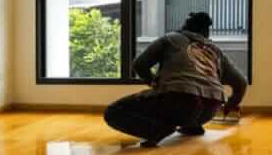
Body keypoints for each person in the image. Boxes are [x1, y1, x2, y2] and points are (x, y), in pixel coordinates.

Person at [104, 12, 247, 147]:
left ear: (184, 26)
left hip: (178, 101)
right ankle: (192, 126)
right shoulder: (215, 51)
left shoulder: (171, 39)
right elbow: (241, 83)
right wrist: (230, 104)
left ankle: (156, 130)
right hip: (210, 110)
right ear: (206, 33)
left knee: (114, 111)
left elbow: (139, 65)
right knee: (191, 99)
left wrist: (154, 83)